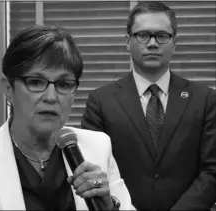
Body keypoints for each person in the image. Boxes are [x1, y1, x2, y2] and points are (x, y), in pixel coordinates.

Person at [0, 25, 135, 210]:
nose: (51, 97)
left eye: (64, 85)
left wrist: (109, 206)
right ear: (8, 88)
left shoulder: (98, 147)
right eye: (35, 82)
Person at [81, 1, 216, 210]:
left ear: (175, 42)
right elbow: (95, 172)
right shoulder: (101, 101)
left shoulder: (204, 99)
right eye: (142, 35)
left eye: (162, 36)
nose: (152, 43)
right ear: (127, 41)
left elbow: (212, 170)